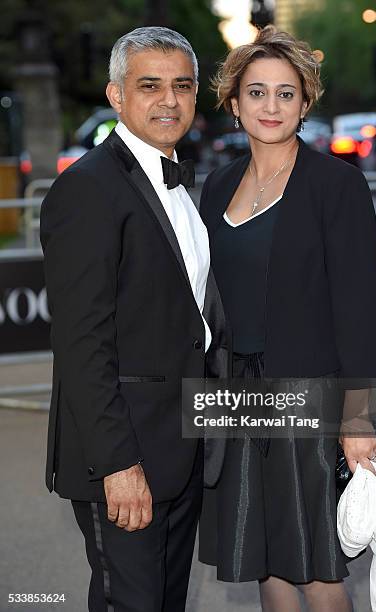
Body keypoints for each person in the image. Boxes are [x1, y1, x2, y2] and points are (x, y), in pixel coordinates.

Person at [40, 26, 229, 612]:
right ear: (116, 95)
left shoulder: (185, 186)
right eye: (150, 86)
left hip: (185, 447)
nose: (169, 100)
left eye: (182, 86)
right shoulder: (89, 189)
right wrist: (118, 464)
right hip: (125, 456)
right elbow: (81, 344)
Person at [198, 26, 376, 612]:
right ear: (233, 102)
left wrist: (357, 420)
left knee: (316, 568)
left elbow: (359, 309)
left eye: (286, 92)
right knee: (262, 556)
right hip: (233, 394)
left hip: (308, 392)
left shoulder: (337, 185)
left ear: (306, 102)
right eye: (257, 92)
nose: (271, 106)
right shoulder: (217, 186)